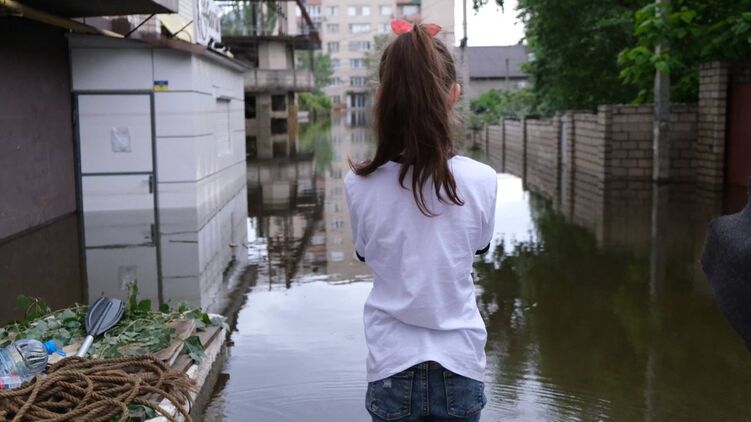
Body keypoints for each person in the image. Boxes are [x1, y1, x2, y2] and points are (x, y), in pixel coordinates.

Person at [344, 19, 498, 422]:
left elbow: (364, 254)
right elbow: (479, 247)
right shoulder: (482, 180)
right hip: (460, 366)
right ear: (454, 95)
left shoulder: (358, 184)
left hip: (391, 365)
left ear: (381, 97)